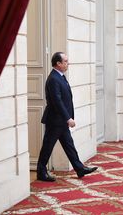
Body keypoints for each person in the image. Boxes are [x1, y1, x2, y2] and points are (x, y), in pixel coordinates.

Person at [36, 52, 98, 182]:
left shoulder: (60, 76)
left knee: (69, 145)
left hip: (61, 121)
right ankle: (41, 173)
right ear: (58, 63)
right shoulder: (53, 79)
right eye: (65, 61)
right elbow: (57, 101)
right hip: (55, 120)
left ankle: (79, 168)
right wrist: (68, 118)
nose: (67, 64)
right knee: (47, 146)